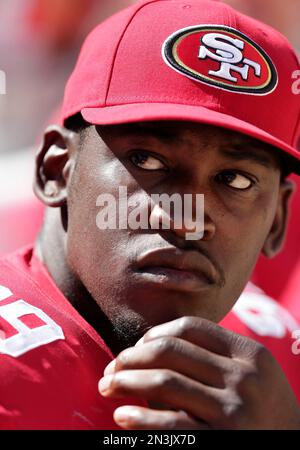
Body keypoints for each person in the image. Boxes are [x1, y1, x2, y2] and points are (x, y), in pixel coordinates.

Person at [0, 0, 299, 430]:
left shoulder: (275, 355)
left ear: (277, 221)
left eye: (234, 180)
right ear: (55, 169)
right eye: (148, 160)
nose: (186, 218)